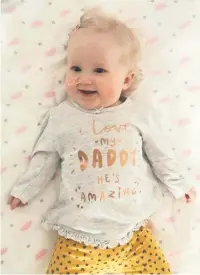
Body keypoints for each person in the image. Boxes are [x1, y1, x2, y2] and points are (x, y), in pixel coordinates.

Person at [8, 9, 196, 274]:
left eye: (99, 70)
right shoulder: (62, 116)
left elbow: (160, 155)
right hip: (77, 235)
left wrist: (178, 183)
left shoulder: (137, 114)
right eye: (76, 68)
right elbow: (45, 158)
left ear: (126, 79)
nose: (85, 78)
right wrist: (25, 190)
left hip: (133, 232)